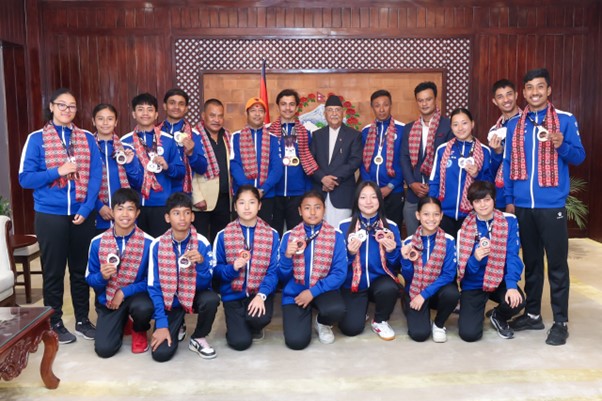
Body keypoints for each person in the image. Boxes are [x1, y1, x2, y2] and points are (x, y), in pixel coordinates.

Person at [503, 68, 586, 345]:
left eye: (540, 86)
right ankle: (533, 315)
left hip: (552, 206)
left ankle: (561, 322)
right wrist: (510, 201)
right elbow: (508, 164)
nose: (534, 92)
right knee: (532, 263)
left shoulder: (564, 120)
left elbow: (579, 156)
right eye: (529, 87)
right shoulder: (515, 125)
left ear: (548, 90)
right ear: (523, 92)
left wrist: (561, 145)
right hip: (523, 206)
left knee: (557, 265)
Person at [19, 88, 102, 344]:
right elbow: (25, 179)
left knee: (80, 270)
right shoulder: (36, 139)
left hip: (81, 213)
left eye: (72, 106)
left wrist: (86, 209)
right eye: (62, 105)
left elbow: (96, 176)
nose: (67, 110)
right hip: (50, 214)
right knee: (53, 271)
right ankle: (53, 322)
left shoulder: (86, 138)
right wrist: (58, 171)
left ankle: (82, 320)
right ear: (52, 107)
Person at [148, 192, 220, 362]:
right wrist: (161, 324)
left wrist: (201, 263)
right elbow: (154, 287)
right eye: (176, 213)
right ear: (167, 218)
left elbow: (207, 284)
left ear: (192, 216)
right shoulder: (157, 245)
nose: (182, 218)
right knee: (161, 355)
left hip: (193, 296)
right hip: (170, 302)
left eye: (187, 213)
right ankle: (178, 324)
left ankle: (199, 337)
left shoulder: (202, 242)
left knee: (211, 299)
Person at [86, 188, 154, 357]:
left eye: (130, 209)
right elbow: (89, 278)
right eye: (120, 208)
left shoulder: (149, 243)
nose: (125, 214)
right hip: (109, 299)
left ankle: (139, 328)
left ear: (137, 213)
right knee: (104, 350)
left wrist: (123, 292)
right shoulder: (97, 242)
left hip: (137, 297)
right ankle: (123, 321)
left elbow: (152, 281)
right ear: (112, 211)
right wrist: (102, 277)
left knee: (143, 308)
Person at [457, 181, 525, 342]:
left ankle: (498, 316)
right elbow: (463, 270)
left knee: (517, 301)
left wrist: (511, 286)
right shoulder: (464, 229)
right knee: (469, 335)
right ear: (472, 203)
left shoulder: (509, 221)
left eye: (487, 199)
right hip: (474, 283)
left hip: (499, 280)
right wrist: (475, 259)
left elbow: (512, 255)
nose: (482, 205)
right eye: (477, 201)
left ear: (494, 199)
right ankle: (475, 311)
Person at [213, 185, 280, 350]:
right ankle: (238, 324)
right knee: (240, 342)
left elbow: (273, 271)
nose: (247, 207)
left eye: (252, 202)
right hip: (233, 295)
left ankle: (254, 325)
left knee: (259, 319)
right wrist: (232, 268)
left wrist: (262, 295)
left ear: (259, 205)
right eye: (242, 203)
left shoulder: (271, 234)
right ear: (235, 207)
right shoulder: (223, 235)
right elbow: (216, 270)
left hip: (258, 292)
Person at [278, 190, 347, 350]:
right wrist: (287, 257)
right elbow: (281, 277)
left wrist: (312, 292)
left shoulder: (335, 235)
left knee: (337, 310)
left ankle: (322, 322)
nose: (313, 212)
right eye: (307, 208)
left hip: (323, 290)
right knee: (296, 342)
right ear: (300, 211)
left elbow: (339, 273)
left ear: (324, 209)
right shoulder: (289, 236)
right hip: (295, 293)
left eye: (317, 207)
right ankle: (302, 316)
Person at [338, 181, 402, 340]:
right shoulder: (343, 226)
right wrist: (350, 253)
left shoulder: (391, 227)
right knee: (351, 329)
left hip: (379, 282)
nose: (368, 202)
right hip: (353, 283)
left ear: (380, 200)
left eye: (373, 197)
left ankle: (380, 320)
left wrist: (392, 252)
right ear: (356, 200)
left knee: (389, 288)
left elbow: (397, 265)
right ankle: (360, 311)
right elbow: (337, 264)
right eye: (363, 197)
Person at [121, 93, 185, 238]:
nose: (145, 113)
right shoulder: (124, 142)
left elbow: (181, 172)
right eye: (140, 109)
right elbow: (122, 177)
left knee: (161, 247)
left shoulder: (168, 140)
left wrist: (167, 166)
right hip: (134, 206)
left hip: (161, 204)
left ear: (156, 114)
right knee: (137, 247)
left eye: (149, 109)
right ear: (133, 114)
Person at [400, 196, 459, 343]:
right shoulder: (409, 242)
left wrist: (424, 294)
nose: (431, 219)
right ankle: (408, 304)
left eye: (436, 214)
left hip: (436, 292)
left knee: (452, 293)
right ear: (418, 215)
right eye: (426, 214)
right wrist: (405, 260)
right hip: (415, 290)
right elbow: (408, 277)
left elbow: (448, 275)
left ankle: (438, 324)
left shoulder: (449, 241)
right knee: (419, 334)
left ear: (441, 216)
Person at [429, 108, 493, 237]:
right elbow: (434, 181)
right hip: (444, 214)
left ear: (472, 124)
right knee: (445, 248)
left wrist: (477, 175)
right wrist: (435, 209)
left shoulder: (484, 151)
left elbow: (489, 184)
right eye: (455, 124)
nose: (460, 128)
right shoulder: (442, 150)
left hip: (472, 214)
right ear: (451, 127)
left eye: (464, 123)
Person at [401, 82, 453, 235]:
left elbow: (449, 161)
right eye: (420, 100)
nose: (424, 104)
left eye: (428, 99)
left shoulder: (448, 126)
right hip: (413, 192)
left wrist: (433, 186)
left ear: (435, 99)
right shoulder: (409, 128)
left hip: (438, 192)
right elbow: (404, 158)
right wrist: (412, 183)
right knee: (413, 238)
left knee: (438, 238)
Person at [310, 94, 363, 227]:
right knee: (319, 232)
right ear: (325, 114)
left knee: (340, 232)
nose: (334, 113)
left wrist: (332, 180)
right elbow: (310, 161)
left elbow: (354, 162)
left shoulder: (354, 135)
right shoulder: (317, 135)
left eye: (337, 110)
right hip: (319, 192)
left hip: (342, 193)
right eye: (330, 110)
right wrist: (322, 178)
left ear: (343, 113)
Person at [269, 89, 316, 236]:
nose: (287, 108)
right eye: (283, 104)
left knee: (297, 236)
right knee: (273, 234)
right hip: (274, 193)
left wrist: (307, 192)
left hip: (298, 194)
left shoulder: (306, 132)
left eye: (291, 104)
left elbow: (309, 163)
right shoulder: (268, 132)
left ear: (296, 108)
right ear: (278, 106)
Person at [230, 97, 283, 226]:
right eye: (253, 110)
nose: (257, 114)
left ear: (265, 114)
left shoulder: (273, 138)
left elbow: (277, 168)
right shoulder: (236, 136)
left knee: (265, 231)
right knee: (240, 230)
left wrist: (263, 189)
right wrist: (249, 190)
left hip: (266, 195)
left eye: (261, 111)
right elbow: (234, 165)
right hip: (242, 195)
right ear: (247, 113)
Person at [92, 103, 142, 234]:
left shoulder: (126, 148)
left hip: (124, 216)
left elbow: (137, 183)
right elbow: (81, 183)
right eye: (100, 118)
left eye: (110, 119)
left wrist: (129, 164)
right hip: (95, 215)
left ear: (116, 122)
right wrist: (99, 206)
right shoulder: (86, 149)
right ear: (93, 121)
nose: (105, 123)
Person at [360, 90, 405, 230]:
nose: (381, 109)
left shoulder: (402, 129)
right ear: (372, 107)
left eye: (385, 104)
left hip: (394, 191)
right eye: (377, 105)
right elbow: (363, 162)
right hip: (371, 193)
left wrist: (390, 186)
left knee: (392, 229)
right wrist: (371, 187)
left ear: (391, 105)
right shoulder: (366, 131)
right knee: (371, 229)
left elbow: (404, 162)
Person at [192, 99, 232, 243]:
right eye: (212, 115)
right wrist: (196, 197)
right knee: (201, 240)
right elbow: (189, 170)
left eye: (220, 116)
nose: (217, 120)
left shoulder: (227, 136)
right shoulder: (194, 136)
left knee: (220, 240)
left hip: (225, 199)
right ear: (203, 116)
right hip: (202, 200)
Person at [158, 88, 208, 195]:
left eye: (181, 104)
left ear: (186, 109)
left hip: (182, 193)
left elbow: (202, 168)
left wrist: (191, 154)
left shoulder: (194, 134)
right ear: (165, 106)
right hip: (158, 191)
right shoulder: (155, 132)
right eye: (172, 103)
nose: (176, 107)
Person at [487, 79, 522, 211]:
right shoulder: (494, 131)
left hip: (524, 192)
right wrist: (497, 153)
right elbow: (493, 169)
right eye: (500, 97)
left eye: (509, 94)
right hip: (501, 193)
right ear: (495, 101)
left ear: (516, 95)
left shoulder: (528, 123)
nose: (506, 100)